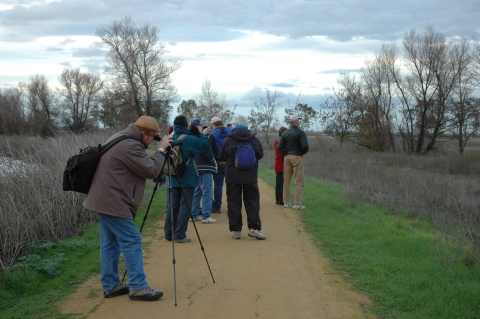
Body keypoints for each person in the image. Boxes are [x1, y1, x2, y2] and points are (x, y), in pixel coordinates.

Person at [83, 115, 171, 301]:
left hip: (104, 198)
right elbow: (151, 170)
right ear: (145, 134)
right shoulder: (130, 145)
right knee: (132, 240)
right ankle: (138, 286)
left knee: (110, 244)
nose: (151, 142)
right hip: (113, 201)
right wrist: (161, 149)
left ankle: (111, 285)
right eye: (152, 137)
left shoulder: (120, 137)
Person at [164, 115, 211, 243]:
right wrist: (200, 133)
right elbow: (206, 145)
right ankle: (179, 234)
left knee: (172, 205)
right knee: (185, 205)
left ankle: (169, 233)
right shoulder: (189, 139)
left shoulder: (170, 138)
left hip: (173, 175)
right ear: (186, 125)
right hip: (187, 176)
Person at [218, 118, 266, 240]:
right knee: (252, 202)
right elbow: (260, 154)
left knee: (234, 203)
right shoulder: (253, 139)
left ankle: (236, 230)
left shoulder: (228, 139)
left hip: (233, 176)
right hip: (250, 176)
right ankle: (254, 228)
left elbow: (221, 156)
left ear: (235, 125)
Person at [276, 114, 309, 210]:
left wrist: (285, 151)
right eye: (298, 120)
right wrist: (301, 153)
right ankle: (297, 203)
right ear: (296, 122)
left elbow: (279, 147)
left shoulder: (285, 133)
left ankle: (286, 202)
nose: (299, 121)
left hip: (287, 158)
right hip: (297, 157)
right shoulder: (301, 133)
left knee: (286, 180)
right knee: (298, 180)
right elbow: (305, 146)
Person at [189, 120, 218, 224]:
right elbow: (208, 153)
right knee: (207, 192)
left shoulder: (191, 139)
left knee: (196, 192)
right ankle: (206, 216)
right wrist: (212, 161)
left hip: (196, 168)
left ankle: (194, 214)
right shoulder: (203, 139)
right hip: (205, 168)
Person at [209, 116, 230, 214]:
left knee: (218, 185)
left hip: (218, 163)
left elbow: (211, 150)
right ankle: (232, 206)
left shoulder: (212, 134)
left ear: (213, 125)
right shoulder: (230, 132)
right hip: (229, 163)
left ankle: (217, 207)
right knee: (230, 185)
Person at [273, 126, 287, 205]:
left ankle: (277, 199)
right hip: (282, 164)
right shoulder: (283, 143)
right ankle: (281, 200)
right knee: (282, 183)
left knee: (278, 183)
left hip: (277, 163)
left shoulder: (276, 142)